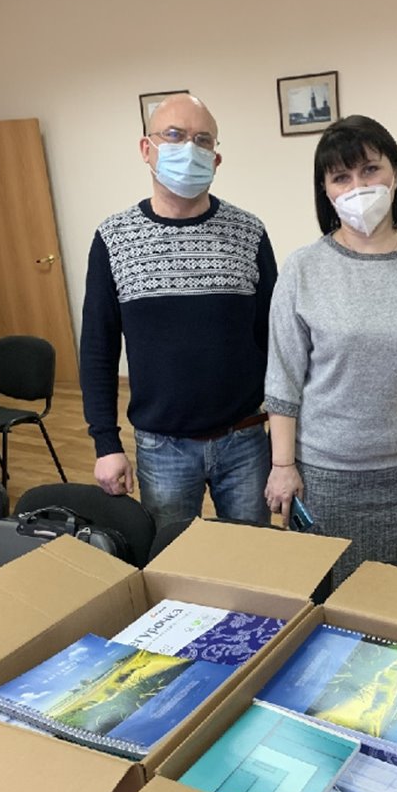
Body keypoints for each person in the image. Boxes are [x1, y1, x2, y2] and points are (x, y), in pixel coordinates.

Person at [265, 115, 397, 585]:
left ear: (395, 174)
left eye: (370, 170)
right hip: (324, 475)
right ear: (325, 190)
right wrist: (282, 466)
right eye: (341, 177)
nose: (358, 187)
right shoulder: (303, 269)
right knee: (325, 599)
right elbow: (283, 381)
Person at [79, 93, 277, 531]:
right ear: (146, 148)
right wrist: (105, 442)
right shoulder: (114, 238)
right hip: (161, 448)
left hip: (245, 440)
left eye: (202, 140)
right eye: (174, 135)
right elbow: (97, 349)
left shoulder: (249, 232)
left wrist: (283, 447)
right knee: (172, 558)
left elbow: (277, 340)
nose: (189, 148)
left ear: (216, 158)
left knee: (254, 557)